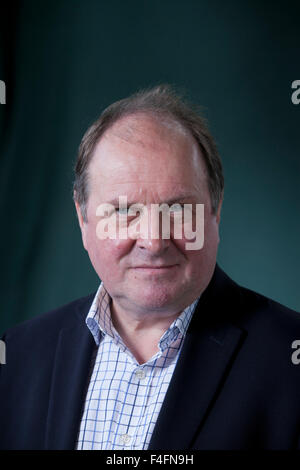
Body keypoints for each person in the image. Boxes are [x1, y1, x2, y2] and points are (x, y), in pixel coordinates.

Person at [0, 85, 299, 450]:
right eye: (125, 212)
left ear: (215, 212)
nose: (154, 242)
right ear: (83, 220)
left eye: (177, 209)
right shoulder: (15, 356)